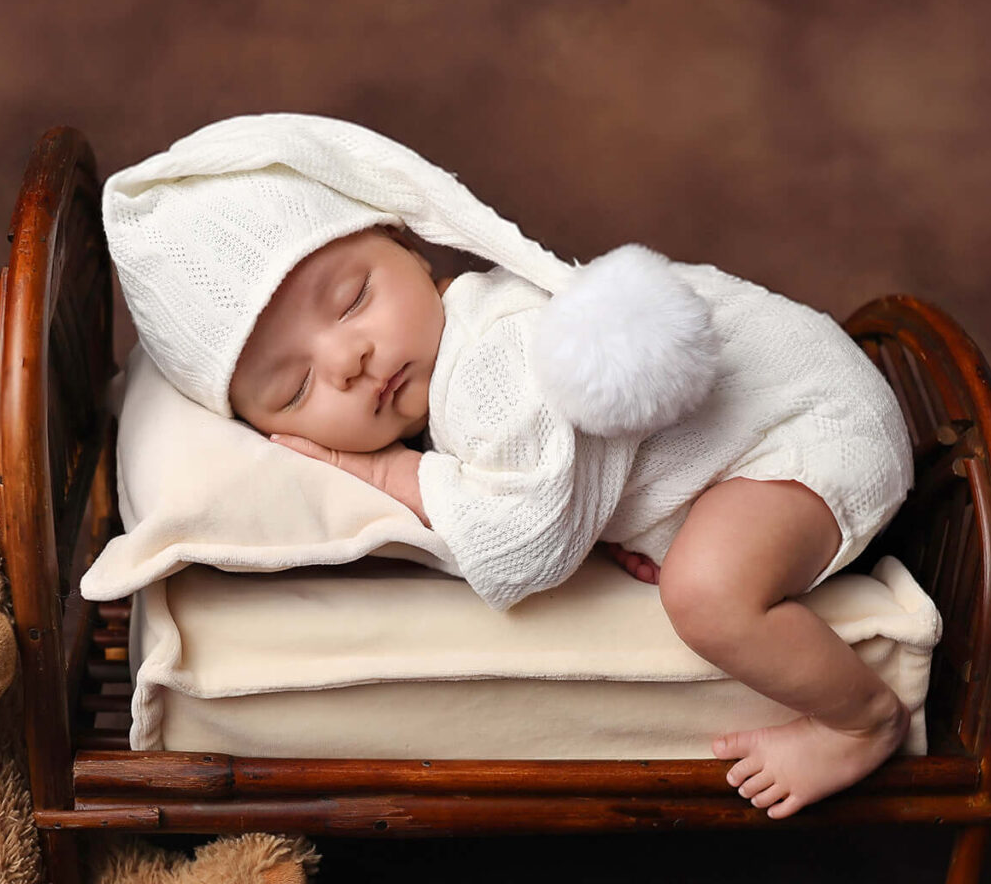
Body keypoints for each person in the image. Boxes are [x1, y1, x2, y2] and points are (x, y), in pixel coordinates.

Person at [103, 114, 914, 817]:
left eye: (351, 299)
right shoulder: (443, 385)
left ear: (415, 251)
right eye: (297, 385)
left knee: (705, 595)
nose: (348, 359)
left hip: (813, 423)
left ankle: (861, 720)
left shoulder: (491, 360)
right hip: (769, 433)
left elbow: (529, 549)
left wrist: (395, 480)